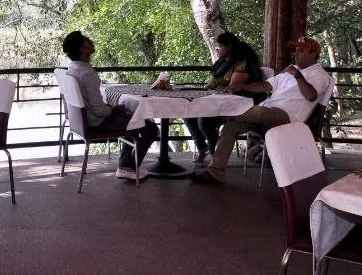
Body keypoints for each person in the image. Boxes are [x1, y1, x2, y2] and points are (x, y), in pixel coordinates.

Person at [193, 37, 331, 184]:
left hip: (287, 117)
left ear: (313, 54)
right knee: (231, 127)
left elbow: (310, 95)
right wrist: (242, 86)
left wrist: (297, 75)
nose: (296, 54)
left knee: (258, 112)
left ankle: (217, 114)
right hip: (267, 111)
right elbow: (266, 85)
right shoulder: (290, 70)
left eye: (301, 51)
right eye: (295, 51)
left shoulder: (320, 75)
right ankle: (215, 172)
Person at [62, 31, 160, 181]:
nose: (90, 41)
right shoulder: (87, 73)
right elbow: (99, 111)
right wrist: (112, 110)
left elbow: (90, 103)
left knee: (130, 117)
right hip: (96, 122)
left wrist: (111, 109)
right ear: (82, 48)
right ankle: (128, 167)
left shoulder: (72, 69)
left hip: (81, 122)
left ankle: (125, 165)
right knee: (150, 128)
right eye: (86, 40)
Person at [184, 32, 263, 163]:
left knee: (204, 121)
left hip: (236, 106)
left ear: (229, 47)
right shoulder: (223, 63)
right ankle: (203, 148)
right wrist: (197, 91)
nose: (217, 49)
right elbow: (212, 85)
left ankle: (215, 155)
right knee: (188, 114)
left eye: (220, 46)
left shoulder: (241, 63)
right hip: (219, 102)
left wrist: (214, 90)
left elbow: (232, 87)